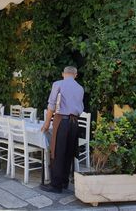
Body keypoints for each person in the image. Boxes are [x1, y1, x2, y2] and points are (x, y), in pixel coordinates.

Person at [40, 66, 84, 194]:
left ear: (63, 74)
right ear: (76, 75)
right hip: (75, 122)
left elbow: (51, 105)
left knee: (57, 152)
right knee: (69, 152)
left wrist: (47, 123)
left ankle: (56, 185)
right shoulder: (80, 88)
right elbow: (80, 108)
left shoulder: (58, 84)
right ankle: (64, 181)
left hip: (62, 121)